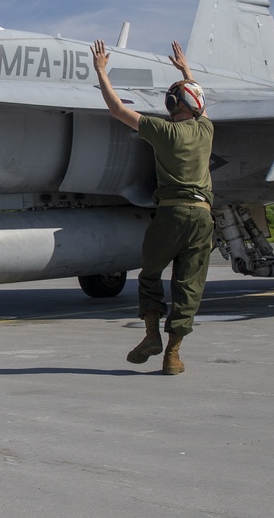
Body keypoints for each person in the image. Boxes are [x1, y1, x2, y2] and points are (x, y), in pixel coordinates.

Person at [91, 39, 214, 375]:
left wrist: (101, 71)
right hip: (202, 218)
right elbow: (198, 98)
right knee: (188, 286)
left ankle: (150, 335)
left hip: (171, 215)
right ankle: (173, 355)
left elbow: (117, 109)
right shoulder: (207, 129)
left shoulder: (162, 130)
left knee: (150, 275)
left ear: (173, 103)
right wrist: (185, 69)